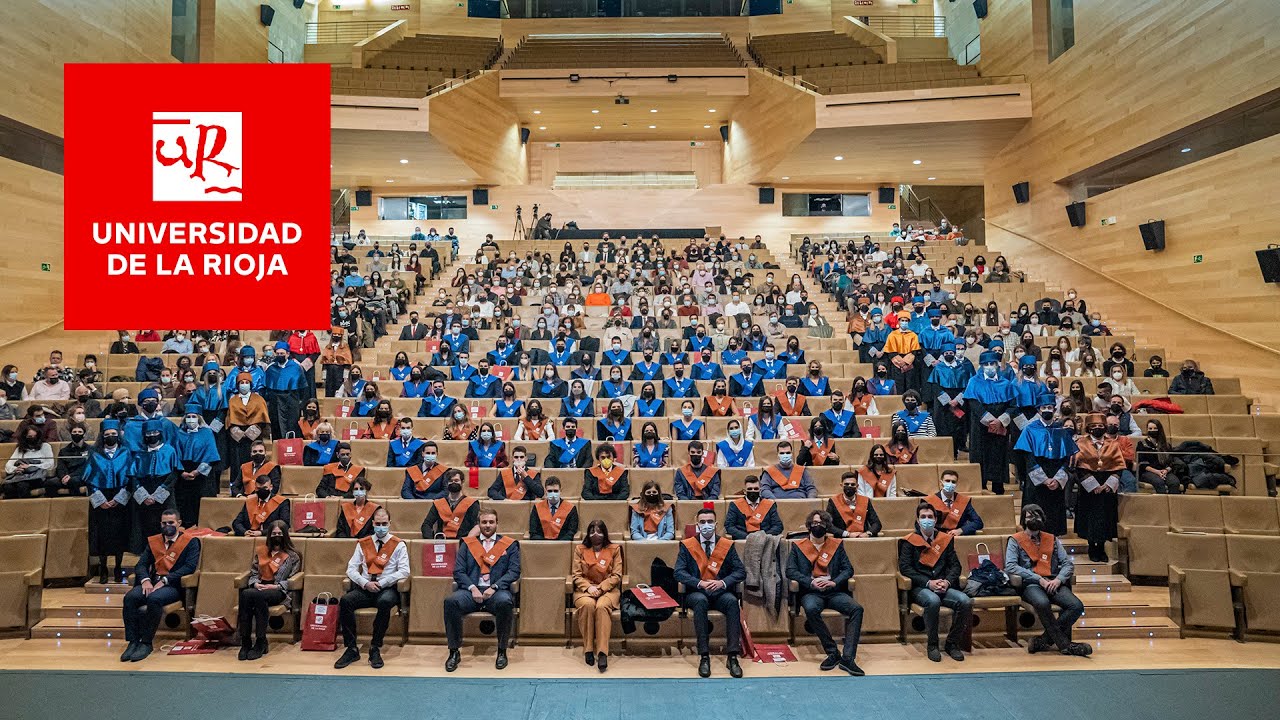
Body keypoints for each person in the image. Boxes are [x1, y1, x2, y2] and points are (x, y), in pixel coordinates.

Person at [1006, 504, 1091, 657]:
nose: (1034, 519)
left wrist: (1059, 579)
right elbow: (1011, 566)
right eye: (1030, 516)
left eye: (1037, 516)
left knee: (1076, 606)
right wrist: (1038, 579)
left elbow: (1067, 563)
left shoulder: (1051, 539)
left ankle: (1042, 641)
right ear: (1024, 519)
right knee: (1042, 603)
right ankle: (1066, 645)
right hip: (1031, 584)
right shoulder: (1015, 540)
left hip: (1053, 582)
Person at [786, 510, 864, 676]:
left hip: (834, 591)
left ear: (827, 526)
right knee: (811, 609)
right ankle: (832, 652)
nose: (817, 526)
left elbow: (848, 569)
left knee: (857, 609)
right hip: (812, 592)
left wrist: (834, 582)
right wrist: (811, 581)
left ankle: (848, 658)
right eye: (814, 523)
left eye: (821, 523)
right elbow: (790, 571)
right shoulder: (798, 547)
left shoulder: (836, 545)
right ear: (809, 526)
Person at [444, 508, 521, 672]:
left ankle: (502, 651)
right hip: (472, 591)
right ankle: (453, 652)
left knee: (505, 602)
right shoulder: (467, 544)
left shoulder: (510, 545)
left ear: (497, 524)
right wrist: (472, 588)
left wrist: (494, 587)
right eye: (484, 522)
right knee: (451, 602)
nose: (487, 525)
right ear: (478, 524)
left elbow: (514, 572)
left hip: (495, 592)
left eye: (491, 522)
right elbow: (458, 572)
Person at [120, 509, 200, 662]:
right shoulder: (154, 542)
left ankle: (146, 642)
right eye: (164, 523)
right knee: (130, 597)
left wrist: (165, 580)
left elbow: (189, 567)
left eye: (171, 523)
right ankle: (133, 641)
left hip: (173, 585)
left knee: (154, 599)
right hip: (152, 582)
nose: (167, 526)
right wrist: (145, 580)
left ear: (179, 523)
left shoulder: (190, 542)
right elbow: (141, 565)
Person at [334, 506, 408, 670]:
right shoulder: (363, 543)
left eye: (384, 523)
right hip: (366, 586)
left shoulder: (398, 545)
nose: (381, 527)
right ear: (373, 523)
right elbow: (351, 569)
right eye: (378, 523)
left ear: (390, 523)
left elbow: (404, 570)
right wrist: (364, 583)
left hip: (387, 588)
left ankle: (375, 647)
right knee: (346, 601)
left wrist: (382, 583)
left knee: (385, 602)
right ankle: (352, 648)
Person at [676, 507, 746, 678]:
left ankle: (732, 656)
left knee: (732, 602)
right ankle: (704, 656)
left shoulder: (726, 545)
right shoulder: (687, 545)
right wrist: (699, 583)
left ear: (715, 524)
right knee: (700, 601)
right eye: (702, 522)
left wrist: (722, 583)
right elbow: (679, 572)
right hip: (697, 593)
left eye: (709, 522)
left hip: (720, 592)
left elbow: (740, 571)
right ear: (697, 525)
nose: (706, 525)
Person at [898, 502, 970, 662]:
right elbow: (905, 569)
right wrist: (928, 583)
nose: (927, 520)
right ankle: (933, 645)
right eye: (923, 517)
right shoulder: (910, 541)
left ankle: (952, 643)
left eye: (930, 517)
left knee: (965, 601)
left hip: (943, 585)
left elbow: (955, 566)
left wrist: (948, 582)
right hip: (921, 588)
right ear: (917, 520)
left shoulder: (945, 539)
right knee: (933, 601)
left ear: (935, 519)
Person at [1014, 394, 1079, 536]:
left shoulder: (1061, 431)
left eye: (1050, 407)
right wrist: (1044, 479)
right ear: (1038, 410)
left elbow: (1067, 458)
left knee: (1053, 520)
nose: (1047, 410)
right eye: (1044, 407)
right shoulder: (1030, 430)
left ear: (1054, 409)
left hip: (1056, 477)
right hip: (1036, 479)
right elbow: (1027, 457)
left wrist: (1057, 478)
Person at [237, 520, 300, 660]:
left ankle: (260, 641)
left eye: (279, 533)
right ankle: (246, 642)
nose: (276, 536)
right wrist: (255, 584)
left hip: (278, 591)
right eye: (274, 533)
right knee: (246, 593)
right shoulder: (262, 552)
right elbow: (253, 573)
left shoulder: (293, 556)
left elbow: (293, 578)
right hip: (259, 588)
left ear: (285, 535)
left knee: (255, 596)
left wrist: (276, 586)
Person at [85, 420, 133, 584]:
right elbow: (89, 480)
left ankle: (118, 567)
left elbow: (130, 478)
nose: (111, 437)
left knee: (119, 534)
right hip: (101, 497)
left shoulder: (126, 452)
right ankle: (103, 567)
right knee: (101, 535)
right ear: (102, 436)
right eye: (107, 435)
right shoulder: (95, 453)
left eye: (114, 434)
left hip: (119, 497)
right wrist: (100, 500)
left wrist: (119, 499)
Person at [1072, 413, 1124, 562]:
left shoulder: (1112, 443)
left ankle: (1101, 548)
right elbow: (1078, 467)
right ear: (1088, 428)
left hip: (1107, 485)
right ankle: (1092, 547)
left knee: (1105, 517)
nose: (1097, 429)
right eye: (1094, 427)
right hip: (1088, 485)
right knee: (1090, 517)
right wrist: (1092, 485)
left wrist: (1108, 484)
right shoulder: (1081, 443)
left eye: (1100, 426)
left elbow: (1118, 466)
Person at [572, 519, 622, 672]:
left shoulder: (614, 549)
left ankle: (602, 653)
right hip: (585, 590)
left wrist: (600, 588)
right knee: (588, 605)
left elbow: (617, 575)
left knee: (601, 607)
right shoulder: (580, 549)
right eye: (592, 531)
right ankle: (588, 649)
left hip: (608, 590)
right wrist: (588, 588)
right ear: (588, 533)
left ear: (604, 533)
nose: (595, 534)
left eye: (599, 531)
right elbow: (576, 575)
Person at [964, 351, 1016, 494]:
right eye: (986, 364)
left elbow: (1013, 405)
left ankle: (999, 489)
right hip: (980, 427)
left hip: (1000, 427)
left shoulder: (1005, 383)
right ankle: (981, 487)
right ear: (981, 366)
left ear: (998, 364)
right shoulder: (974, 381)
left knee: (998, 456)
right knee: (980, 457)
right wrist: (989, 420)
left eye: (992, 363)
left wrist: (1001, 420)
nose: (989, 367)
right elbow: (973, 403)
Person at [129, 419, 183, 554]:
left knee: (166, 525)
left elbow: (173, 476)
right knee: (145, 526)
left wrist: (159, 495)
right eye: (148, 433)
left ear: (160, 433)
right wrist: (144, 496)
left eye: (155, 432)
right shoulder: (139, 454)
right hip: (144, 495)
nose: (152, 435)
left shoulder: (170, 451)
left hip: (165, 494)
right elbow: (134, 477)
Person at [422, 470, 480, 538]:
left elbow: (477, 526)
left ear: (462, 482)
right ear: (447, 483)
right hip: (441, 542)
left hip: (462, 541)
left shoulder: (472, 503)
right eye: (450, 481)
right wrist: (431, 541)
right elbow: (426, 524)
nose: (453, 483)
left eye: (456, 480)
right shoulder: (439, 503)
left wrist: (466, 542)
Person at [232, 472, 290, 537]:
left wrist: (261, 533)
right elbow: (236, 523)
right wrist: (245, 532)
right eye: (259, 488)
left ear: (271, 487)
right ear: (255, 488)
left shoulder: (281, 502)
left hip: (270, 538)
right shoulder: (250, 501)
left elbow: (284, 525)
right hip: (248, 538)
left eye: (265, 488)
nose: (262, 490)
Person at [926, 470, 983, 535]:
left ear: (956, 484)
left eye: (953, 482)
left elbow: (978, 522)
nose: (950, 484)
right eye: (947, 481)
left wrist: (961, 530)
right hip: (937, 538)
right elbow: (918, 524)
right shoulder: (930, 500)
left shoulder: (963, 501)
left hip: (959, 538)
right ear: (941, 483)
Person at [828, 471, 882, 538]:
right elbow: (828, 525)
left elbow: (876, 524)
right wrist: (847, 534)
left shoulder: (865, 500)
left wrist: (868, 533)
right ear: (841, 485)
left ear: (857, 486)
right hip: (842, 540)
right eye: (846, 484)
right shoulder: (833, 501)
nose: (849, 486)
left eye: (852, 484)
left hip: (863, 538)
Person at [4, 426, 53, 498]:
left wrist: (30, 466)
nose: (33, 438)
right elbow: (8, 464)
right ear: (25, 437)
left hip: (36, 477)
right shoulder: (20, 448)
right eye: (30, 436)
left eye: (35, 436)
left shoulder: (45, 446)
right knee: (7, 487)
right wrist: (15, 469)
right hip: (21, 476)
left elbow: (50, 464)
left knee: (22, 485)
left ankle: (25, 508)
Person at [1137, 419, 1183, 494]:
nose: (1153, 430)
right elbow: (1142, 464)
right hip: (1148, 472)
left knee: (1174, 482)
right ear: (1147, 430)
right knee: (1159, 482)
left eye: (1155, 428)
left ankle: (1173, 504)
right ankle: (1162, 504)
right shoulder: (1142, 444)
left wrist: (1166, 470)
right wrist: (1157, 472)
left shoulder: (1166, 445)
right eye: (1150, 428)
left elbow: (1171, 462)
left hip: (1165, 471)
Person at [527, 476, 578, 540]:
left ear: (560, 491)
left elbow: (571, 532)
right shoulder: (537, 508)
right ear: (546, 492)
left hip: (562, 545)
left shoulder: (571, 508)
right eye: (550, 491)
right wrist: (547, 546)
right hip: (541, 546)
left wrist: (557, 546)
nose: (553, 494)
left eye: (556, 491)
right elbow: (533, 532)